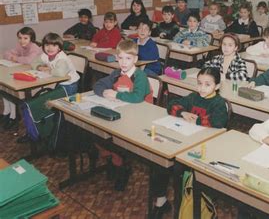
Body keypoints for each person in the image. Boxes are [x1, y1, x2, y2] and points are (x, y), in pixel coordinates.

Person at [152, 67, 227, 217]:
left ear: (217, 86)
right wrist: (183, 112)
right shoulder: (193, 97)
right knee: (160, 160)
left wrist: (197, 120)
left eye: (207, 84)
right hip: (185, 140)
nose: (202, 88)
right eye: (199, 83)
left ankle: (184, 204)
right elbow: (171, 105)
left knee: (179, 169)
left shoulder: (218, 103)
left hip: (204, 148)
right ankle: (161, 200)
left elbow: (219, 121)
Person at [93, 40, 153, 191]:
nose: (124, 62)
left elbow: (137, 97)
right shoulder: (116, 73)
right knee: (96, 131)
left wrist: (117, 94)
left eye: (128, 58)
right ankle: (115, 159)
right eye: (120, 58)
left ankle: (121, 165)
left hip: (141, 117)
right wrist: (105, 93)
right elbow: (98, 85)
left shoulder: (140, 77)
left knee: (115, 138)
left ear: (135, 60)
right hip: (121, 112)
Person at [2, 27, 42, 130]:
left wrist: (16, 58)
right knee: (4, 87)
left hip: (36, 79)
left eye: (25, 38)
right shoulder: (20, 45)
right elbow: (6, 53)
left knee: (10, 89)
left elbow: (29, 60)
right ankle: (7, 112)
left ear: (31, 38)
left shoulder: (34, 47)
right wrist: (13, 57)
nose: (22, 40)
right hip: (24, 72)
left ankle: (14, 116)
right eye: (20, 38)